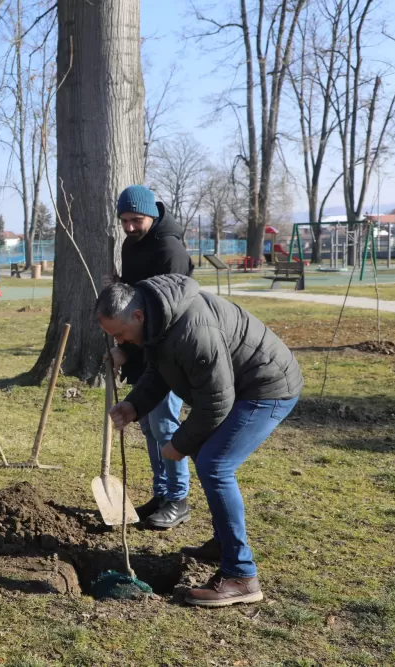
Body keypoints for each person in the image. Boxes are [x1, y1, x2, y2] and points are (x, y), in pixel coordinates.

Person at [98, 274, 303, 607]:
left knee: (215, 464)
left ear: (137, 316)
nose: (120, 342)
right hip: (238, 386)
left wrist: (178, 445)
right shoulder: (157, 319)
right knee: (209, 456)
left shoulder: (193, 332)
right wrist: (135, 404)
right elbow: (161, 369)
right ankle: (224, 544)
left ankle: (241, 575)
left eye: (120, 334)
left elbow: (216, 403)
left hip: (267, 386)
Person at [115, 184, 194, 530]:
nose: (130, 227)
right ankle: (161, 494)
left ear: (152, 214)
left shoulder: (169, 249)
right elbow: (137, 296)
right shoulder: (131, 245)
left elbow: (168, 310)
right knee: (148, 425)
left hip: (169, 347)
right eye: (124, 221)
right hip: (142, 347)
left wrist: (130, 345)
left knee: (164, 425)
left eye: (136, 220)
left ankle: (179, 499)